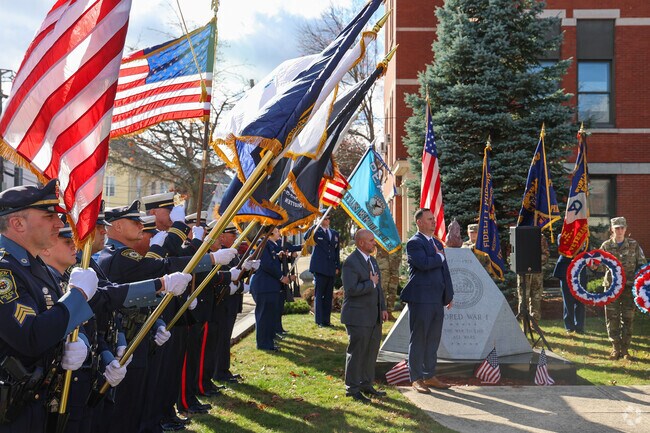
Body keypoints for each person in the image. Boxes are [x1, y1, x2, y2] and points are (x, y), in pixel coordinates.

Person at [0, 180, 98, 432]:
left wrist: (77, 343)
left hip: (36, 399)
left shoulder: (34, 265)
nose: (60, 224)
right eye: (48, 216)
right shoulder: (4, 270)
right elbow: (31, 336)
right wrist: (77, 295)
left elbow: (55, 318)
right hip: (12, 410)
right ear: (17, 223)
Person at [400, 209, 454, 394]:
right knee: (419, 339)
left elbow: (444, 272)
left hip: (436, 299)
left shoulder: (437, 243)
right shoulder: (414, 243)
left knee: (433, 339)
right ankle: (416, 378)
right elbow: (423, 264)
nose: (433, 222)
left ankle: (429, 375)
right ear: (419, 222)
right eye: (430, 219)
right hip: (421, 299)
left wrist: (448, 295)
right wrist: (439, 256)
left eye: (434, 219)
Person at [341, 230, 388, 403]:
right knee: (357, 352)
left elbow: (379, 288)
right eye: (371, 240)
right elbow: (351, 290)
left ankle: (366, 383)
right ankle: (352, 389)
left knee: (371, 351)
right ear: (361, 243)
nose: (374, 243)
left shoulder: (372, 261)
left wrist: (382, 307)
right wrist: (370, 283)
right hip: (357, 316)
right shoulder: (351, 263)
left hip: (373, 315)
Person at [599, 217, 647, 361]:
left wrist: (642, 284)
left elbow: (642, 264)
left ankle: (625, 350)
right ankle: (615, 348)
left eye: (622, 228)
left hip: (629, 288)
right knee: (612, 318)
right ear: (611, 229)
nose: (619, 230)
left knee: (628, 318)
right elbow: (600, 266)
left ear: (626, 229)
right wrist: (593, 264)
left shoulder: (633, 245)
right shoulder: (606, 246)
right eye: (616, 228)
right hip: (611, 288)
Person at [251, 227, 291, 351]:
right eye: (277, 230)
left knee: (269, 316)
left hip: (269, 287)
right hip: (263, 286)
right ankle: (263, 343)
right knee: (263, 316)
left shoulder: (270, 245)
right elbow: (267, 264)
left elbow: (272, 261)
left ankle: (269, 341)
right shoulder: (263, 244)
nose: (279, 232)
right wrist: (281, 277)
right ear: (271, 231)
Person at [305, 215, 340, 327]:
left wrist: (337, 266)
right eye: (325, 218)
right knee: (319, 295)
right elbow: (306, 237)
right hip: (320, 268)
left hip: (330, 268)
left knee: (328, 295)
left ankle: (326, 320)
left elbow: (336, 251)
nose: (327, 220)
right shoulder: (316, 231)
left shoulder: (334, 233)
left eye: (328, 218)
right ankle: (319, 320)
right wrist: (315, 225)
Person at [553, 239, 586, 334]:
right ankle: (569, 327)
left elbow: (587, 252)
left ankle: (579, 327)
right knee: (568, 300)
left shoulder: (585, 236)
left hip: (580, 270)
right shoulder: (563, 235)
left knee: (581, 299)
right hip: (565, 270)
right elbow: (564, 249)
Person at [516, 235, 549, 321]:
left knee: (536, 297)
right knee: (523, 297)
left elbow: (545, 254)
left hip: (536, 272)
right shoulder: (518, 235)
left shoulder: (540, 237)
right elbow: (512, 254)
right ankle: (524, 322)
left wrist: (535, 260)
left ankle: (535, 322)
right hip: (523, 272)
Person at [374, 245, 401, 320]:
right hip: (383, 267)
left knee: (393, 290)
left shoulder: (395, 239)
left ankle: (389, 312)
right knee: (382, 290)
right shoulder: (381, 236)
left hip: (394, 267)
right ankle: (381, 312)